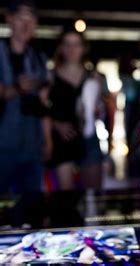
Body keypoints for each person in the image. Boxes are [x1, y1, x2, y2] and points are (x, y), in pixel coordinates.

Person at [0, 0, 51, 194]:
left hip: (32, 145)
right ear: (9, 19)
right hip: (3, 143)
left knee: (32, 205)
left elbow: (44, 102)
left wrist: (47, 139)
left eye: (31, 20)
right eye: (21, 19)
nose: (26, 25)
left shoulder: (38, 58)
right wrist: (17, 88)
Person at [49, 30, 103, 189]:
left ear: (83, 48)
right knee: (66, 199)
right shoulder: (50, 76)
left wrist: (99, 111)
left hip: (89, 139)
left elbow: (101, 111)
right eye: (67, 44)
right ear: (61, 48)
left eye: (76, 45)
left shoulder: (94, 77)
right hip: (62, 140)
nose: (72, 49)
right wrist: (56, 125)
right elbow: (41, 111)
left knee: (92, 198)